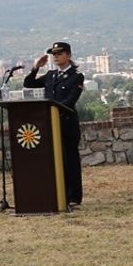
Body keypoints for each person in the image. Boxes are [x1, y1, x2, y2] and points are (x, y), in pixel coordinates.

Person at [24, 41, 85, 207]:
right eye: (54, 54)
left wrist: (54, 110)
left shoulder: (76, 76)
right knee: (54, 160)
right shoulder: (51, 75)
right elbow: (28, 84)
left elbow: (70, 101)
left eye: (60, 53)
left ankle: (74, 197)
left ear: (69, 55)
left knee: (69, 160)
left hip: (66, 124)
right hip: (51, 125)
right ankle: (59, 194)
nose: (56, 56)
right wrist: (36, 68)